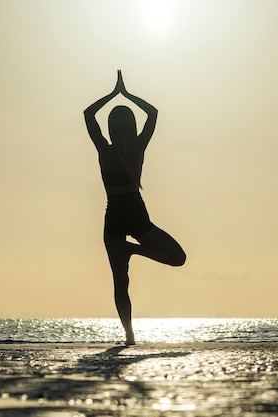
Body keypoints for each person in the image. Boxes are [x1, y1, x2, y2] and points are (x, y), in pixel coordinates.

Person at [84, 70, 186, 345]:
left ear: (111, 127)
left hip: (114, 216)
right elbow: (152, 113)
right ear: (130, 127)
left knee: (120, 281)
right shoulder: (137, 148)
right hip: (136, 213)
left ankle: (130, 337)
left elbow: (87, 115)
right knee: (178, 257)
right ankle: (135, 251)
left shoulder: (105, 150)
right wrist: (127, 95)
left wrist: (112, 94)